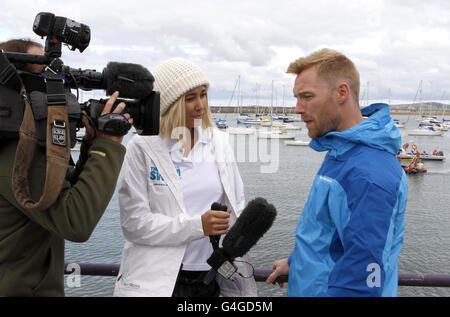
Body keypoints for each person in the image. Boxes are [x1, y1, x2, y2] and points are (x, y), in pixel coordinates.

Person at [266, 48, 408, 296]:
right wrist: (297, 262)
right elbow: (328, 233)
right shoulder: (343, 152)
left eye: (306, 96)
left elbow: (363, 280)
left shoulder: (369, 173)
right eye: (297, 97)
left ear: (342, 92)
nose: (298, 108)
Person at [113, 57, 257, 297]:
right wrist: (197, 226)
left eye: (203, 94)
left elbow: (237, 204)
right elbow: (134, 224)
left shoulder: (219, 143)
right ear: (169, 104)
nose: (200, 105)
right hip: (159, 282)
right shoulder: (142, 147)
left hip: (212, 277)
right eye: (190, 98)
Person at [0, 39, 132, 296]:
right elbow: (76, 220)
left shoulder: (14, 144)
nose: (55, 88)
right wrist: (108, 146)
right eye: (45, 77)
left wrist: (92, 145)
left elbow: (63, 190)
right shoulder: (15, 154)